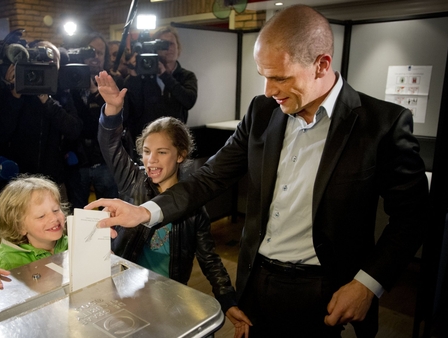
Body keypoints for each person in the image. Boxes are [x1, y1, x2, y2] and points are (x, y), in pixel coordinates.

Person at [87, 5, 429, 337]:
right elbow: (210, 177)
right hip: (256, 280)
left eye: (280, 78)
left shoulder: (382, 124)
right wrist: (144, 211)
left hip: (327, 288)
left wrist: (367, 284)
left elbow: (412, 217)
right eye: (264, 76)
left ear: (322, 64)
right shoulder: (263, 111)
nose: (269, 91)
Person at [96, 71, 251, 337]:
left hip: (169, 295)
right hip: (124, 289)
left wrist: (227, 301)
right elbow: (109, 144)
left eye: (162, 152)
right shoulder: (133, 180)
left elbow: (209, 260)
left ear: (181, 155)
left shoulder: (194, 206)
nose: (151, 160)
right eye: (146, 151)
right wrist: (112, 110)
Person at [0, 40, 83, 197]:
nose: (46, 64)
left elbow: (73, 129)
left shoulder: (62, 93)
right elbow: (0, 134)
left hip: (53, 181)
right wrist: (14, 95)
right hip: (19, 183)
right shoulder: (13, 91)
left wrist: (47, 100)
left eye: (53, 61)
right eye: (41, 58)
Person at [0, 175, 68, 295]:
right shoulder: (7, 262)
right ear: (20, 227)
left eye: (55, 210)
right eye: (41, 216)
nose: (53, 218)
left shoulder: (73, 242)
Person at [65, 32, 120, 210]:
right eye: (91, 52)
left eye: (100, 53)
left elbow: (116, 120)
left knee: (111, 214)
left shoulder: (114, 82)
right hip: (76, 160)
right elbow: (74, 125)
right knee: (78, 214)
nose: (95, 57)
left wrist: (95, 91)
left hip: (105, 160)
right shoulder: (66, 84)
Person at [123, 26, 197, 155]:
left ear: (178, 47)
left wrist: (165, 76)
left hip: (174, 142)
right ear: (154, 48)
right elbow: (134, 108)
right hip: (146, 144)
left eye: (172, 44)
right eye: (163, 44)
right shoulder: (142, 76)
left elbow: (188, 101)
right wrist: (134, 76)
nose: (168, 48)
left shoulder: (186, 76)